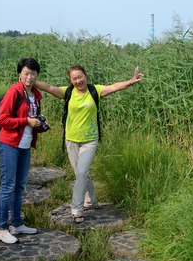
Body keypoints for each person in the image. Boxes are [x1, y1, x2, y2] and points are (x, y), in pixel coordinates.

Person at [35, 65, 143, 223]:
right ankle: (91, 200)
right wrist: (31, 81)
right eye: (74, 78)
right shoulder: (68, 92)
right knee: (81, 173)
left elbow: (114, 87)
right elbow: (49, 87)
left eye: (80, 76)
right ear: (70, 81)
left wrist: (131, 81)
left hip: (90, 140)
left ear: (86, 76)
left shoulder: (95, 91)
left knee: (81, 172)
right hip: (71, 140)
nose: (78, 81)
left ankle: (76, 209)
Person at [0, 57, 48, 244]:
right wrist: (26, 121)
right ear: (19, 74)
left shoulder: (35, 95)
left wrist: (39, 124)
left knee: (19, 186)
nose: (30, 77)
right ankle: (1, 229)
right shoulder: (14, 92)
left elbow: (32, 118)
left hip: (25, 146)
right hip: (9, 145)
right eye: (26, 73)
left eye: (33, 73)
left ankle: (16, 224)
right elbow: (2, 120)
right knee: (7, 186)